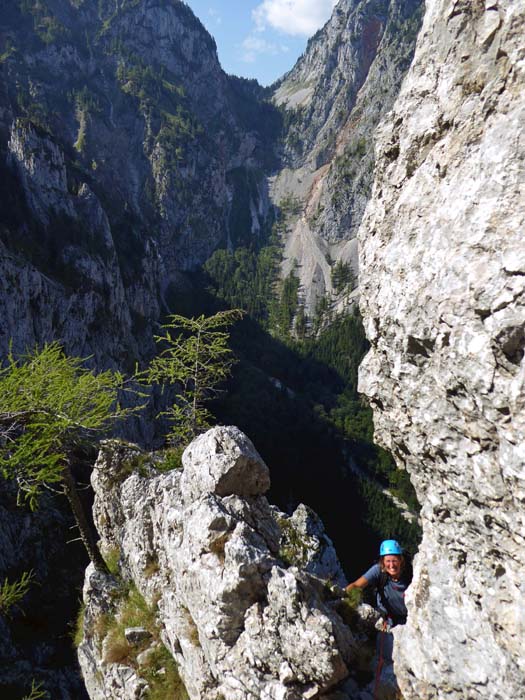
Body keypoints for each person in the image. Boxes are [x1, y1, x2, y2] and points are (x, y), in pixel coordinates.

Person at [345, 539, 412, 697]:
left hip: (410, 620)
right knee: (387, 657)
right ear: (383, 561)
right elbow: (356, 585)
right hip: (387, 619)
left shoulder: (411, 573)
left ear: (401, 560)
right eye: (388, 561)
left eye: (394, 560)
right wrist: (342, 596)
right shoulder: (378, 572)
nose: (391, 565)